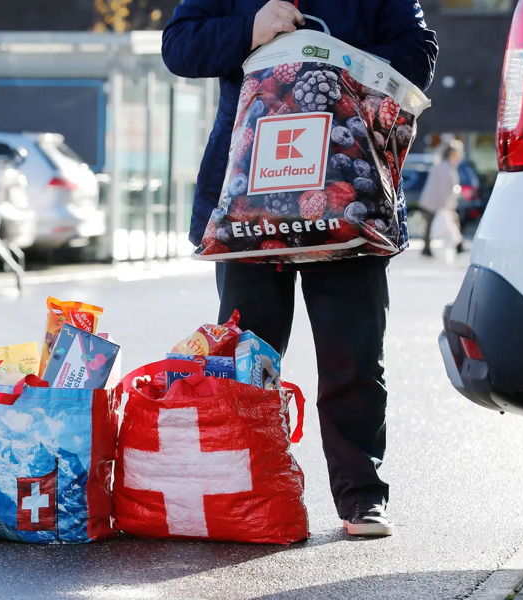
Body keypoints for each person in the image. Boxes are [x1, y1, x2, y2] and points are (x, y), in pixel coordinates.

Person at [162, 0, 438, 537]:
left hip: (347, 194)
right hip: (248, 199)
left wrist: (330, 60)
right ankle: (247, 495)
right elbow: (179, 46)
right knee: (248, 360)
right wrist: (250, 28)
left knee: (353, 356)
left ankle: (361, 498)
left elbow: (419, 51)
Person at [419, 140, 465, 257]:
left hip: (434, 201)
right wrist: (445, 204)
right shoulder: (446, 167)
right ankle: (458, 245)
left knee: (432, 224)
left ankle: (457, 245)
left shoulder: (442, 165)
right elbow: (444, 188)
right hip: (438, 202)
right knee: (449, 222)